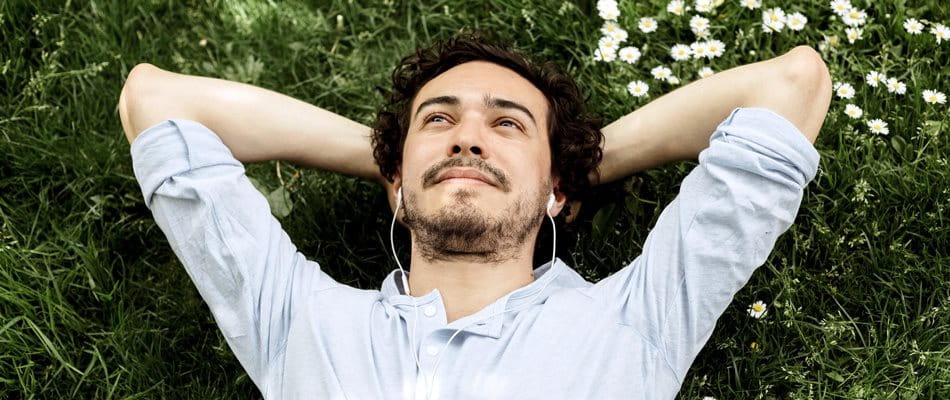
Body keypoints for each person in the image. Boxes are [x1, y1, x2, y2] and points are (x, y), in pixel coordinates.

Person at [118, 32, 831, 399]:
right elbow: (154, 101)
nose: (467, 136)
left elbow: (791, 84)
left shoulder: (637, 319)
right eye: (440, 120)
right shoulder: (299, 318)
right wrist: (390, 161)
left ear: (556, 191)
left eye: (508, 125)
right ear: (395, 183)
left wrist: (579, 164)